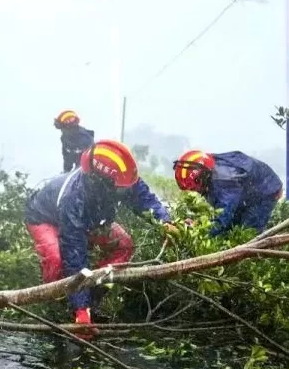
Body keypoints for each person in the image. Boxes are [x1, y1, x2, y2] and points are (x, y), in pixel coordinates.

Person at [24, 140, 179, 334]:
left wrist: (164, 222)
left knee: (125, 246)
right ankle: (54, 304)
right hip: (45, 218)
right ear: (100, 182)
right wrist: (80, 311)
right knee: (57, 260)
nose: (125, 191)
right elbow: (74, 254)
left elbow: (144, 199)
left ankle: (93, 297)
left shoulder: (122, 178)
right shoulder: (74, 198)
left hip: (92, 220)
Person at [172, 150, 282, 236]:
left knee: (246, 234)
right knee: (231, 226)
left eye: (196, 187)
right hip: (246, 189)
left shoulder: (225, 180)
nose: (196, 190)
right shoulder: (208, 166)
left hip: (267, 191)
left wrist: (199, 230)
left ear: (204, 175)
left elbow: (223, 219)